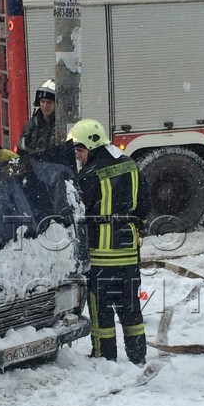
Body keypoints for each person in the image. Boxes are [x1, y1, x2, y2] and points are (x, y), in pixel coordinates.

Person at [68, 118, 148, 365]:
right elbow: (144, 205)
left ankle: (105, 356)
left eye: (80, 150)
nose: (78, 156)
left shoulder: (88, 176)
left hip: (101, 256)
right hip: (128, 253)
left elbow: (79, 214)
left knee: (101, 309)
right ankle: (137, 355)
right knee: (130, 306)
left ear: (91, 147)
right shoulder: (132, 166)